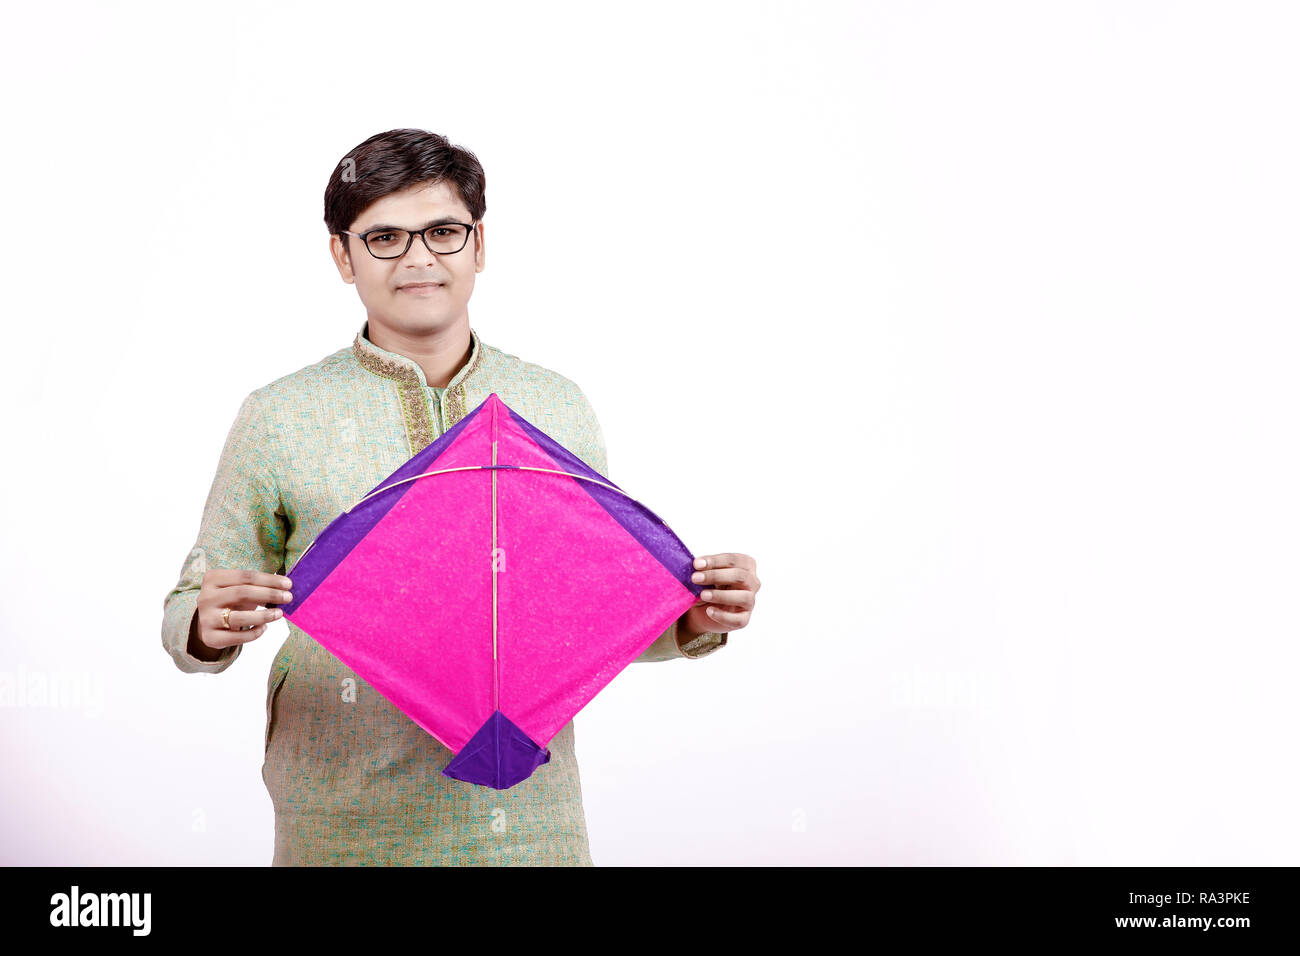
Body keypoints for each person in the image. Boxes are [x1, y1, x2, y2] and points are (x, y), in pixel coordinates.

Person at [160, 128, 761, 865]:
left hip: (528, 824)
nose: (418, 257)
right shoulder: (280, 414)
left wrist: (693, 616)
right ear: (342, 257)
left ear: (479, 245)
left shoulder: (555, 405)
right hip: (339, 821)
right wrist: (205, 624)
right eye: (384, 237)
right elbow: (188, 606)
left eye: (443, 231)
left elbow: (583, 620)